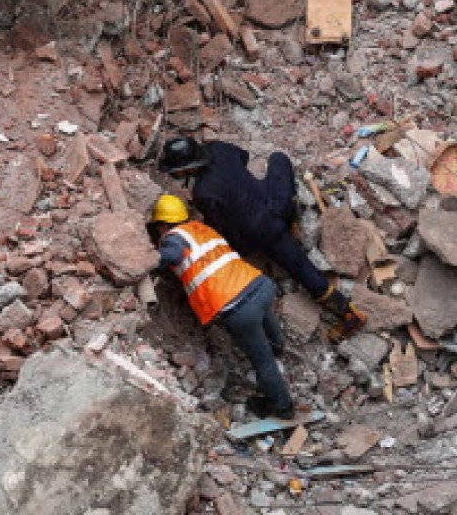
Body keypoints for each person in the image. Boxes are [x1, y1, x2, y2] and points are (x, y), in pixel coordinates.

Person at [158, 136, 366, 341]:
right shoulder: (217, 148)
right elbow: (244, 156)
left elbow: (220, 227)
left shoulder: (203, 192)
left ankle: (350, 315)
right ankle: (292, 220)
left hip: (263, 232)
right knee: (278, 159)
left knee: (300, 268)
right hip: (275, 204)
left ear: (187, 168)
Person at [149, 194, 295, 419]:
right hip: (260, 284)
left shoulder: (174, 239)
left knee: (262, 359)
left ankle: (282, 407)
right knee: (265, 316)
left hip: (238, 306)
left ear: (162, 225)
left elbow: (171, 254)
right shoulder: (201, 229)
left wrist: (147, 258)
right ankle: (278, 345)